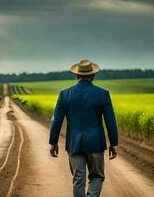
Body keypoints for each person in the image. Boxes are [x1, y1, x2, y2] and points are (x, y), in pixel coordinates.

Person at [49, 60, 118, 197]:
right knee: (97, 176)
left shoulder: (65, 94)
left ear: (77, 75)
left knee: (78, 179)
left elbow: (56, 120)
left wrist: (53, 142)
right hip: (95, 143)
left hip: (74, 144)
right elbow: (110, 120)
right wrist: (113, 143)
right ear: (93, 76)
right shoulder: (103, 94)